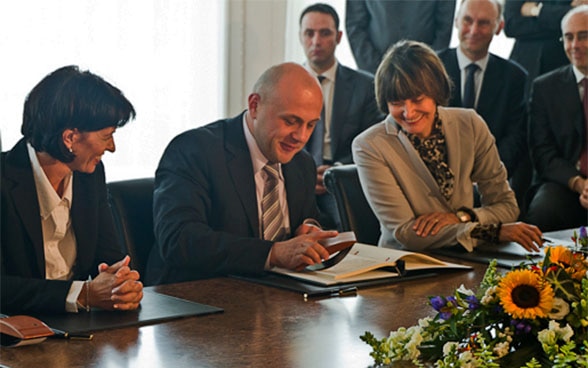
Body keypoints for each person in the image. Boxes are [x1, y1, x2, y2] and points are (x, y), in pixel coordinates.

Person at [146, 62, 338, 285]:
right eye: (290, 121)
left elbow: (307, 219)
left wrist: (308, 231)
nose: (301, 137)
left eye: (311, 125)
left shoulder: (301, 163)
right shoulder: (194, 150)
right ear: (255, 105)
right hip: (198, 297)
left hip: (280, 299)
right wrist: (273, 253)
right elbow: (179, 240)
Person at [352, 40, 543, 253]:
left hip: (470, 257)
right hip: (406, 264)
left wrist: (462, 217)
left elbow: (507, 207)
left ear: (436, 92)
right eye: (397, 103)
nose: (409, 112)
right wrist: (489, 231)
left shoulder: (470, 124)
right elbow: (406, 233)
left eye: (417, 99)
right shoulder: (369, 145)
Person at [1, 66, 143, 314]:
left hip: (77, 329)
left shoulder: (90, 175)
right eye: (106, 135)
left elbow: (110, 258)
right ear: (70, 138)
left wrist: (122, 285)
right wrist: (82, 294)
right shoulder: (5, 181)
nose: (112, 147)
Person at [437, 0, 530, 210]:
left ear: (499, 27)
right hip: (437, 181)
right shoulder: (432, 69)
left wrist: (487, 176)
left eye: (484, 23)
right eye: (468, 20)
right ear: (456, 22)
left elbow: (515, 138)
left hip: (490, 182)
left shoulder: (514, 77)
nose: (474, 30)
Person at [299, 3, 384, 230]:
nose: (316, 41)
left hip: (343, 179)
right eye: (309, 33)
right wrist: (304, 174)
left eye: (325, 33)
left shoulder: (365, 86)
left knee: (348, 229)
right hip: (295, 180)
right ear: (300, 36)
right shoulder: (286, 86)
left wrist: (337, 170)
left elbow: (374, 144)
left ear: (338, 37)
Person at [525, 5, 588, 230]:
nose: (575, 45)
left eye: (583, 36)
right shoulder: (545, 88)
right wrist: (580, 184)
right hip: (566, 182)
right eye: (568, 38)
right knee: (544, 210)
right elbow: (542, 152)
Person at [345, 0, 456, 74]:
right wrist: (380, 71)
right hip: (375, 77)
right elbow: (355, 27)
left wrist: (426, 67)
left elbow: (444, 28)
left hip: (424, 76)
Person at [504, 0, 578, 96]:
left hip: (568, 64)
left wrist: (537, 10)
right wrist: (559, 21)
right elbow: (512, 25)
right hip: (527, 67)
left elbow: (581, 17)